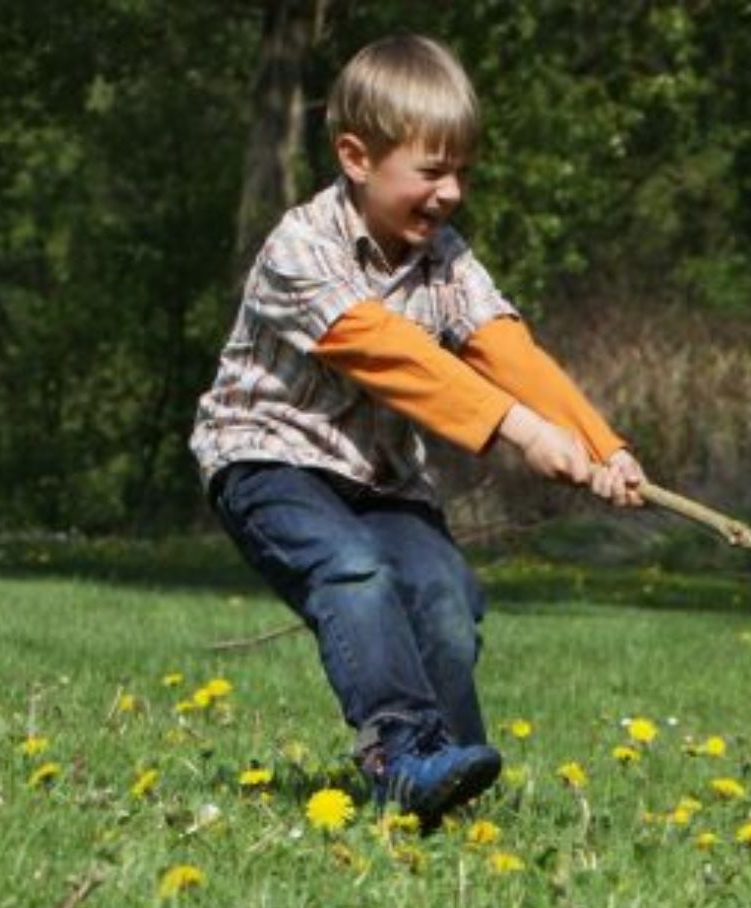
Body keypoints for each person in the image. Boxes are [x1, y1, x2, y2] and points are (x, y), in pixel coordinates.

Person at [190, 34, 644, 823]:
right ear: (357, 157)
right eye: (432, 171)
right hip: (270, 461)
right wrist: (519, 430)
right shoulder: (300, 249)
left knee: (442, 595)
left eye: (463, 171)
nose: (452, 192)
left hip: (381, 477)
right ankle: (401, 753)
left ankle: (453, 776)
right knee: (355, 572)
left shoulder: (446, 259)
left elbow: (504, 347)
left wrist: (603, 445)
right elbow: (392, 355)